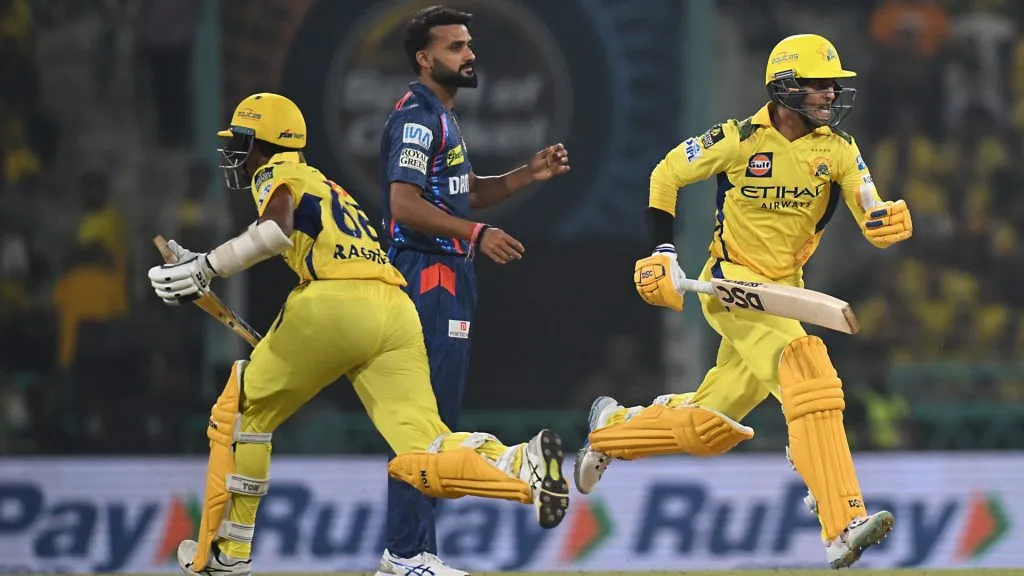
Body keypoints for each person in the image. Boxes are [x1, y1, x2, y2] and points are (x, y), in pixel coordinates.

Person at [148, 92, 570, 576]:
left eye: (242, 142)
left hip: (334, 302)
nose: (237, 154)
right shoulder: (327, 184)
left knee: (242, 412)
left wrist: (207, 265)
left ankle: (227, 555)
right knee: (424, 445)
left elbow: (275, 230)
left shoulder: (275, 174)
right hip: (394, 307)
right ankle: (520, 465)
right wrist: (200, 265)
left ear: (263, 143)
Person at [573, 34, 912, 570]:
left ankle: (611, 431)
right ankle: (841, 523)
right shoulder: (739, 139)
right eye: (817, 84)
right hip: (732, 288)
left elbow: (869, 208)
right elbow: (666, 174)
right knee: (809, 369)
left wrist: (883, 223)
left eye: (832, 85)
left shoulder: (839, 150)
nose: (829, 94)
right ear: (783, 89)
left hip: (786, 295)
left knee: (709, 427)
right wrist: (661, 251)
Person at [377, 6, 571, 575]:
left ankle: (411, 553)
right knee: (424, 424)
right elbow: (404, 204)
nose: (469, 54)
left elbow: (459, 194)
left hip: (449, 273)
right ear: (425, 57)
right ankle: (408, 555)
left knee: (431, 421)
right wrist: (477, 233)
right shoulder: (418, 116)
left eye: (469, 44)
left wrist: (524, 176)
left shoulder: (441, 116)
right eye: (456, 46)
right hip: (429, 272)